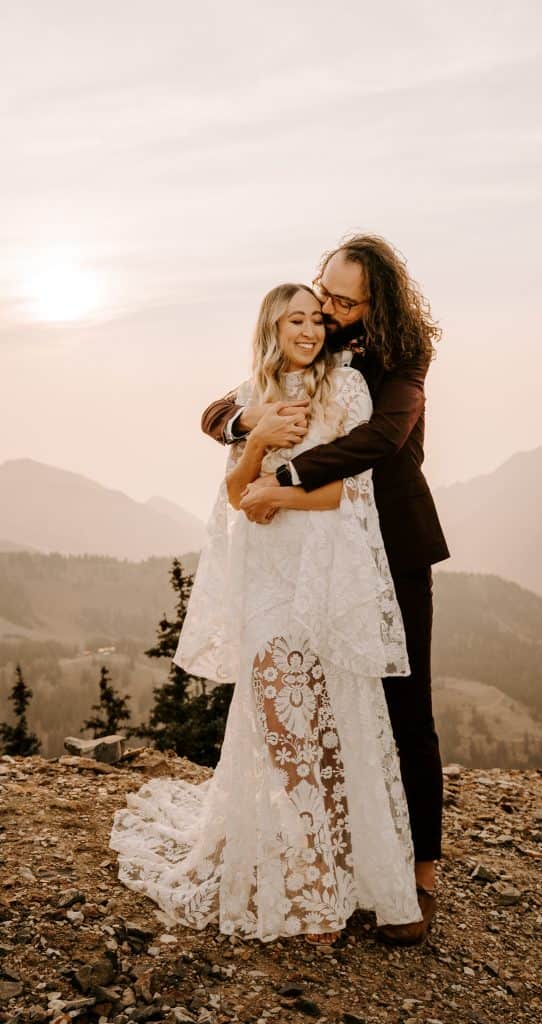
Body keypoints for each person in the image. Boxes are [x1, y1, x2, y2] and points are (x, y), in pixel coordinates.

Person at [110, 283, 422, 945]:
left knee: (334, 730)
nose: (308, 329)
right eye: (294, 320)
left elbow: (348, 492)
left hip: (321, 575)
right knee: (282, 736)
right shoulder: (254, 393)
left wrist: (276, 492)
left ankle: (348, 875)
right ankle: (310, 895)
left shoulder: (345, 390)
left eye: (316, 319)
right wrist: (259, 443)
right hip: (265, 583)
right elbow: (231, 489)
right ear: (272, 328)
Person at [201, 234, 449, 945]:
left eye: (343, 303)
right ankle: (344, 856)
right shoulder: (309, 343)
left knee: (405, 704)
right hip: (310, 554)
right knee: (326, 702)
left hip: (392, 544)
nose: (328, 312)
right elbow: (220, 409)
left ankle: (421, 870)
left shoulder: (402, 357)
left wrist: (287, 478)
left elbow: (383, 439)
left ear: (378, 303)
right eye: (323, 294)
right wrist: (248, 423)